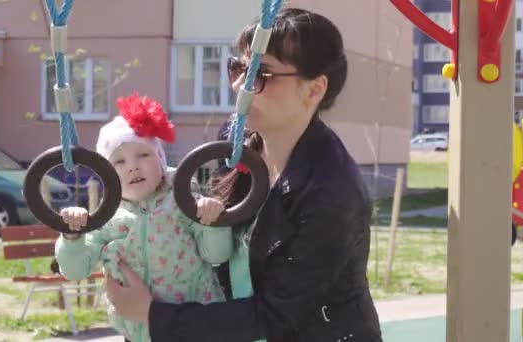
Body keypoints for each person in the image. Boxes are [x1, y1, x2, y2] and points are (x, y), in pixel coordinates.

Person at [103, 8, 383, 341]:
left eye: (260, 74)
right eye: (238, 68)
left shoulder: (332, 193)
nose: (239, 84)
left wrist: (153, 314)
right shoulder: (234, 140)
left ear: (313, 90)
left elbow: (276, 314)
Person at [54, 92, 233, 342]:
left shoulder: (183, 202)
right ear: (108, 175)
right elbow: (74, 271)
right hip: (137, 333)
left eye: (143, 155)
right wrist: (72, 235)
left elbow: (217, 255)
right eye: (119, 161)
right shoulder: (106, 217)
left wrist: (212, 221)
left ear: (160, 160)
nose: (132, 166)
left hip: (193, 326)